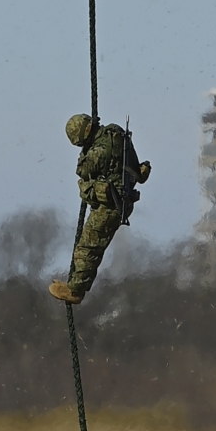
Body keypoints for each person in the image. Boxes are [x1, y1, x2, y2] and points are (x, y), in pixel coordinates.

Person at [49, 114, 150, 305]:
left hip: (112, 204)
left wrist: (86, 152)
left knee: (88, 247)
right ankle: (76, 284)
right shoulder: (116, 133)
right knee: (91, 245)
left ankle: (75, 290)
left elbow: (83, 170)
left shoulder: (99, 152)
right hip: (124, 198)